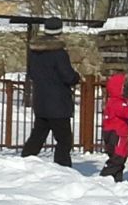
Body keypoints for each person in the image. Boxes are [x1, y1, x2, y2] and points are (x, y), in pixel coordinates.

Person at [19, 16, 81, 166]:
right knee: (64, 139)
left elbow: (32, 74)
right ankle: (62, 168)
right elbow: (67, 76)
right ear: (59, 31)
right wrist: (76, 77)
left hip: (41, 100)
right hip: (58, 103)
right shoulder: (59, 53)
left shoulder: (35, 52)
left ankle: (24, 162)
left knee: (38, 135)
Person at [98, 71, 128, 182]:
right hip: (117, 134)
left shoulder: (112, 101)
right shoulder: (118, 103)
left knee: (116, 158)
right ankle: (105, 176)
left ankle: (117, 179)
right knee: (118, 158)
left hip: (111, 133)